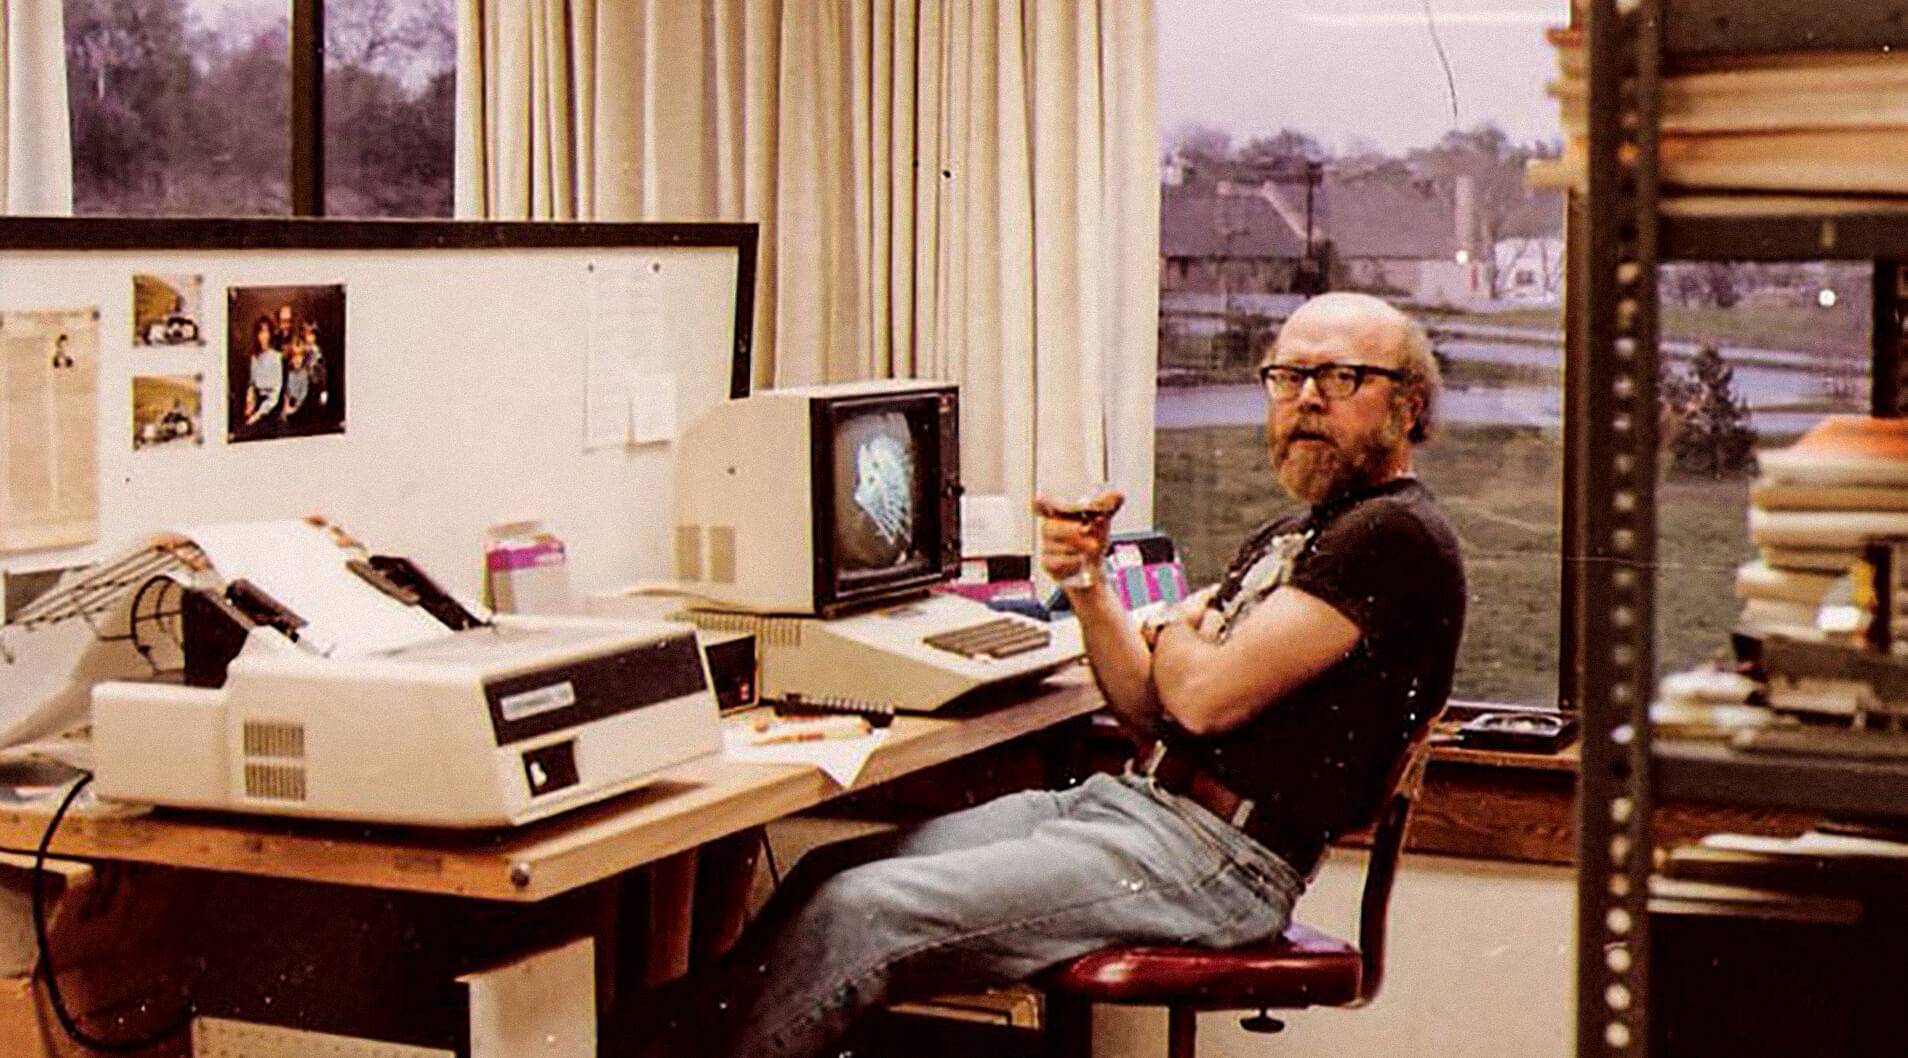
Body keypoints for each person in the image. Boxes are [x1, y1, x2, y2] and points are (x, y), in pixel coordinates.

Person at [627, 291, 1466, 1058]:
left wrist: (1176, 630)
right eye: (1286, 377)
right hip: (1143, 807)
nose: (1306, 399)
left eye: (1340, 376)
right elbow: (1149, 710)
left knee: (864, 912)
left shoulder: (1394, 537)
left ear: (1408, 405)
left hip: (1223, 861)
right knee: (827, 875)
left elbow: (1204, 701)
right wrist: (1090, 585)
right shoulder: (1302, 531)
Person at [241, 315, 284, 432]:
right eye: (260, 332)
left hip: (270, 409)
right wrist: (249, 403)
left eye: (265, 332)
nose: (262, 337)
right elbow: (252, 385)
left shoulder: (276, 358)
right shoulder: (254, 358)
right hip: (257, 404)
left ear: (270, 334)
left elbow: (274, 396)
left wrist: (257, 415)